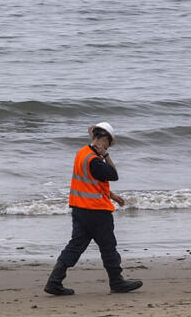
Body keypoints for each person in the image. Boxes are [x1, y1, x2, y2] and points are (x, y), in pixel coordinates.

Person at [44, 122, 143, 296]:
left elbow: (90, 182)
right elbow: (114, 174)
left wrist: (111, 195)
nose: (107, 146)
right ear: (104, 139)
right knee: (108, 247)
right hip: (97, 212)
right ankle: (117, 282)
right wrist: (106, 155)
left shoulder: (82, 153)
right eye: (108, 143)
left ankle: (54, 281)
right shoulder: (94, 160)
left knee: (75, 246)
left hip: (79, 209)